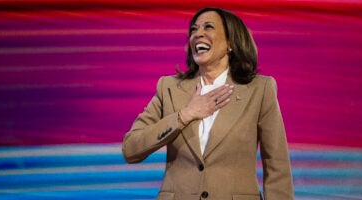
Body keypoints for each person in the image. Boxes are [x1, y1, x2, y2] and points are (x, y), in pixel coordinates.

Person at [122, 7, 294, 200]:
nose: (198, 34)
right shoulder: (169, 88)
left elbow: (276, 164)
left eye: (208, 27)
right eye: (194, 30)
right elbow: (131, 149)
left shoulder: (260, 89)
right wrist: (184, 115)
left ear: (231, 42)